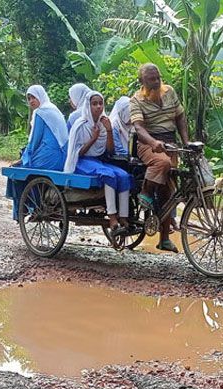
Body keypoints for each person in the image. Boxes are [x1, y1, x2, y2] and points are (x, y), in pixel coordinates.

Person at [129, 63, 190, 253]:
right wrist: (153, 142)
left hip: (170, 144)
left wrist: (186, 142)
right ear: (142, 81)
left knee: (168, 193)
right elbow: (138, 128)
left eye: (157, 78)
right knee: (162, 162)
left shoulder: (169, 92)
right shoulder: (136, 100)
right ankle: (146, 192)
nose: (156, 82)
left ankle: (164, 239)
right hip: (148, 143)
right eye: (151, 79)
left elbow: (180, 117)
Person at [65, 90, 133, 235]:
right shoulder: (80, 124)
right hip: (82, 162)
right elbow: (78, 152)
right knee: (108, 174)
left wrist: (108, 131)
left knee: (124, 175)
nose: (98, 107)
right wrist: (93, 138)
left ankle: (124, 217)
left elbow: (109, 151)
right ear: (88, 106)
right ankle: (112, 217)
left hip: (98, 161)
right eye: (94, 104)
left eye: (100, 103)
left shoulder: (104, 123)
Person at [5, 85, 68, 219]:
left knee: (17, 172)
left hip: (49, 156)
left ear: (41, 96)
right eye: (29, 98)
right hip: (61, 157)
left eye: (34, 97)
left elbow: (35, 141)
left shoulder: (41, 112)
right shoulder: (53, 109)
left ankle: (26, 208)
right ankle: (33, 204)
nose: (31, 101)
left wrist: (23, 160)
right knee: (24, 164)